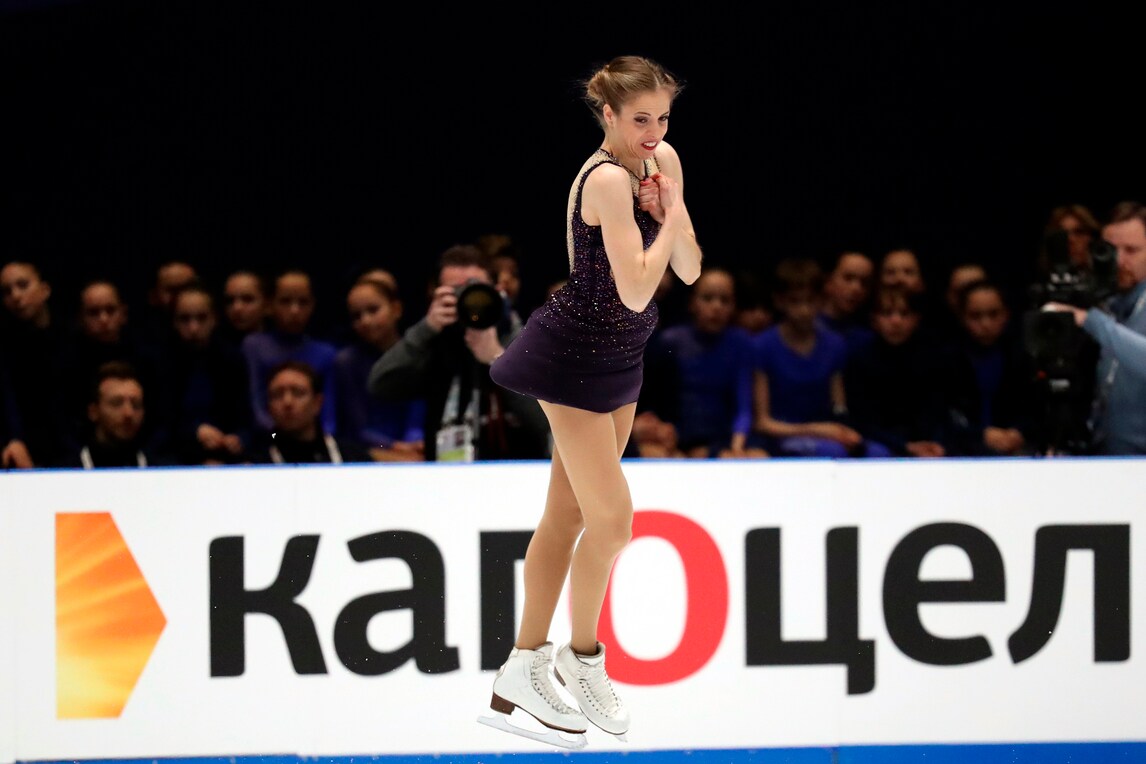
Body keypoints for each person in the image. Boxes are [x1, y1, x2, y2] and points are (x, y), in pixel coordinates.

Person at [480, 55, 701, 748]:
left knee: (568, 515)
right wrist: (668, 216)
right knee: (614, 523)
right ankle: (582, 656)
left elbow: (690, 267)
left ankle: (522, 667)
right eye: (639, 119)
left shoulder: (663, 161)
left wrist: (670, 210)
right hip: (573, 353)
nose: (653, 132)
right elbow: (635, 288)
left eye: (662, 118)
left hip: (621, 356)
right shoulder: (605, 179)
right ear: (607, 114)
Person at [368, 243, 549, 462]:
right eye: (456, 291)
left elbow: (547, 422)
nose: (468, 299)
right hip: (447, 476)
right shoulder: (435, 343)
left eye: (476, 289)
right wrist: (426, 328)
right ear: (436, 294)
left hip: (514, 474)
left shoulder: (525, 340)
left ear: (497, 290)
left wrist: (498, 360)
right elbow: (380, 384)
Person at [749, 257, 884, 458]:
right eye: (795, 301)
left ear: (821, 300)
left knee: (878, 453)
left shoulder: (835, 344)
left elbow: (839, 407)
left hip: (827, 434)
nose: (804, 310)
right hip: (782, 437)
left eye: (810, 301)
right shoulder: (762, 346)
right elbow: (762, 422)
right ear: (779, 301)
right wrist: (817, 430)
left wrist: (844, 431)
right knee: (830, 451)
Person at [1042, 200, 1146, 455]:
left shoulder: (1097, 318)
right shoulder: (1106, 304)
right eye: (1110, 250)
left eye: (1131, 250)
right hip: (1106, 459)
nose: (1119, 261)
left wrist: (1091, 321)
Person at [153, 283, 253, 465]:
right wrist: (194, 432)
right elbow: (159, 427)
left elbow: (246, 420)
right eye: (185, 319)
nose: (193, 328)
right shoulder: (159, 362)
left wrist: (239, 439)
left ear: (214, 318)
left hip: (227, 456)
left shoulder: (232, 359)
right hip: (175, 457)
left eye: (201, 318)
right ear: (174, 322)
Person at [333, 275, 425, 461]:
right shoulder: (346, 362)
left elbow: (418, 415)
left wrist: (414, 442)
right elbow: (357, 427)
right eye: (356, 316)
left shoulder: (418, 355)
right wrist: (393, 447)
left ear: (396, 309)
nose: (365, 321)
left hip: (417, 449)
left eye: (373, 310)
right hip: (367, 453)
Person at [248, 359, 372, 464]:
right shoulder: (255, 465)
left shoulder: (353, 457)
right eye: (278, 394)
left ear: (317, 403)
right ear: (269, 406)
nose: (287, 402)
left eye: (298, 392)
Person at [55, 360, 166, 469]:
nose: (129, 413)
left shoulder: (162, 472)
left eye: (136, 405)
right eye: (116, 403)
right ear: (93, 412)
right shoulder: (63, 473)